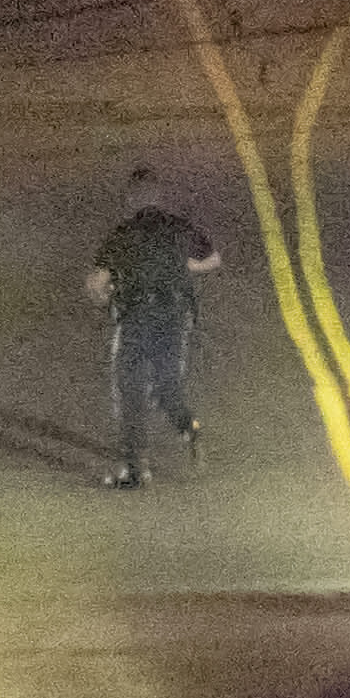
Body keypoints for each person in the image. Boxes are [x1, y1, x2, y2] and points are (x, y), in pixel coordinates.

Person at [89, 165, 219, 489]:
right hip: (174, 316)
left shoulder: (122, 235)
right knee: (166, 385)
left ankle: (136, 469)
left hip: (135, 317)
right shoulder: (179, 228)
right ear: (158, 196)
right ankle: (190, 429)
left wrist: (104, 297)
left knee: (131, 388)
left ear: (132, 199)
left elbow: (97, 283)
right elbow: (213, 259)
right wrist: (187, 265)